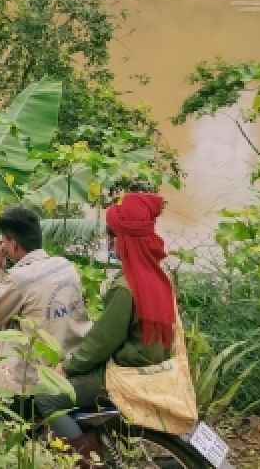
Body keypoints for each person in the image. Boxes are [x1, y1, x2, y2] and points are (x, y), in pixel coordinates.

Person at [34, 193, 177, 458]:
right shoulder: (158, 275)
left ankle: (83, 460)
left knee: (46, 395)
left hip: (125, 375)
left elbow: (103, 342)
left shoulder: (126, 286)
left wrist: (67, 366)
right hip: (151, 368)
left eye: (112, 236)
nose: (109, 242)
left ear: (125, 240)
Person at [0, 206, 92, 395]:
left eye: (4, 241)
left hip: (38, 369)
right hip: (74, 355)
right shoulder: (64, 265)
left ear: (13, 245)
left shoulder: (21, 278)